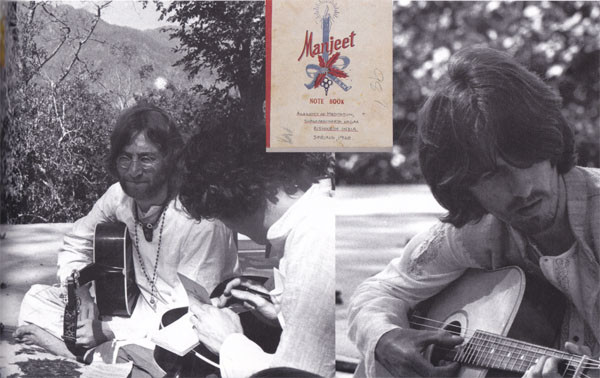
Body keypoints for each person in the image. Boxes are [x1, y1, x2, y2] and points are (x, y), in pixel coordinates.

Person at [348, 47, 599, 378]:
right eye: (492, 174)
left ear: (552, 146)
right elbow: (379, 292)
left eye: (528, 159)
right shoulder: (479, 229)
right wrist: (386, 338)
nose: (523, 189)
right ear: (464, 187)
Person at [15, 104, 239, 373]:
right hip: (133, 314)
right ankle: (108, 358)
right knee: (37, 300)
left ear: (170, 159)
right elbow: (76, 242)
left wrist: (106, 330)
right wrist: (81, 293)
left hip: (185, 324)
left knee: (178, 350)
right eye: (125, 158)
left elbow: (190, 311)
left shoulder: (200, 219)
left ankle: (88, 355)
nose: (134, 171)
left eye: (146, 158)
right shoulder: (118, 197)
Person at [178, 113, 336, 378]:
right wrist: (279, 315)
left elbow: (298, 374)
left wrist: (228, 341)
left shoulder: (314, 238)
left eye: (220, 213)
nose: (229, 226)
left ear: (235, 197)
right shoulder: (310, 223)